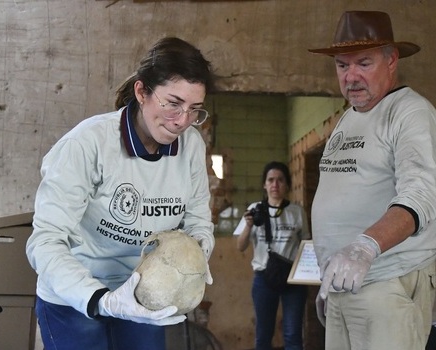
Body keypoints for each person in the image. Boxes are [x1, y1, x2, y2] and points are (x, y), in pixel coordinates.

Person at [26, 36, 216, 350]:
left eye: (194, 109)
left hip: (145, 293)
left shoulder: (191, 145)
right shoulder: (88, 144)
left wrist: (196, 254)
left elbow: (197, 220)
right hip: (75, 298)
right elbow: (45, 242)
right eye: (172, 104)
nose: (182, 121)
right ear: (142, 92)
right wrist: (104, 300)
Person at [308, 11, 436, 350]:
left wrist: (365, 246)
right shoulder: (348, 118)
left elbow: (421, 194)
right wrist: (331, 274)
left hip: (388, 282)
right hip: (345, 285)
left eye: (363, 63)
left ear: (391, 59)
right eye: (342, 65)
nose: (351, 77)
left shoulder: (410, 112)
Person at [233, 161, 310, 350]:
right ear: (264, 185)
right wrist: (249, 225)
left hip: (293, 279)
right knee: (263, 335)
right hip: (263, 278)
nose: (275, 185)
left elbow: (306, 245)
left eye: (280, 180)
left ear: (287, 185)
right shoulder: (256, 209)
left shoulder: (296, 212)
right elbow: (240, 246)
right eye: (271, 180)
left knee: (293, 335)